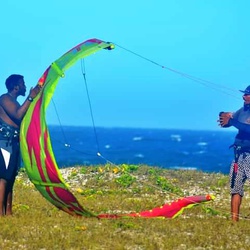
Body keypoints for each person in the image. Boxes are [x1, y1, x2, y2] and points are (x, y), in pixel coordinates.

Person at [0, 74, 41, 216]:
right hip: (5, 143)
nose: (25, 86)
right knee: (3, 178)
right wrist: (30, 97)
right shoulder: (5, 98)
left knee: (11, 177)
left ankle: (8, 213)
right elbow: (18, 115)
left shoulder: (15, 101)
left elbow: (24, 115)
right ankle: (0, 213)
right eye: (23, 84)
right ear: (16, 87)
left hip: (14, 143)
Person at [218, 85, 250, 221]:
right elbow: (228, 123)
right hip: (238, 155)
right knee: (235, 187)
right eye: (245, 94)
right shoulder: (242, 111)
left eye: (248, 94)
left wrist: (232, 121)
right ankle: (234, 221)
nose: (244, 96)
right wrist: (223, 116)